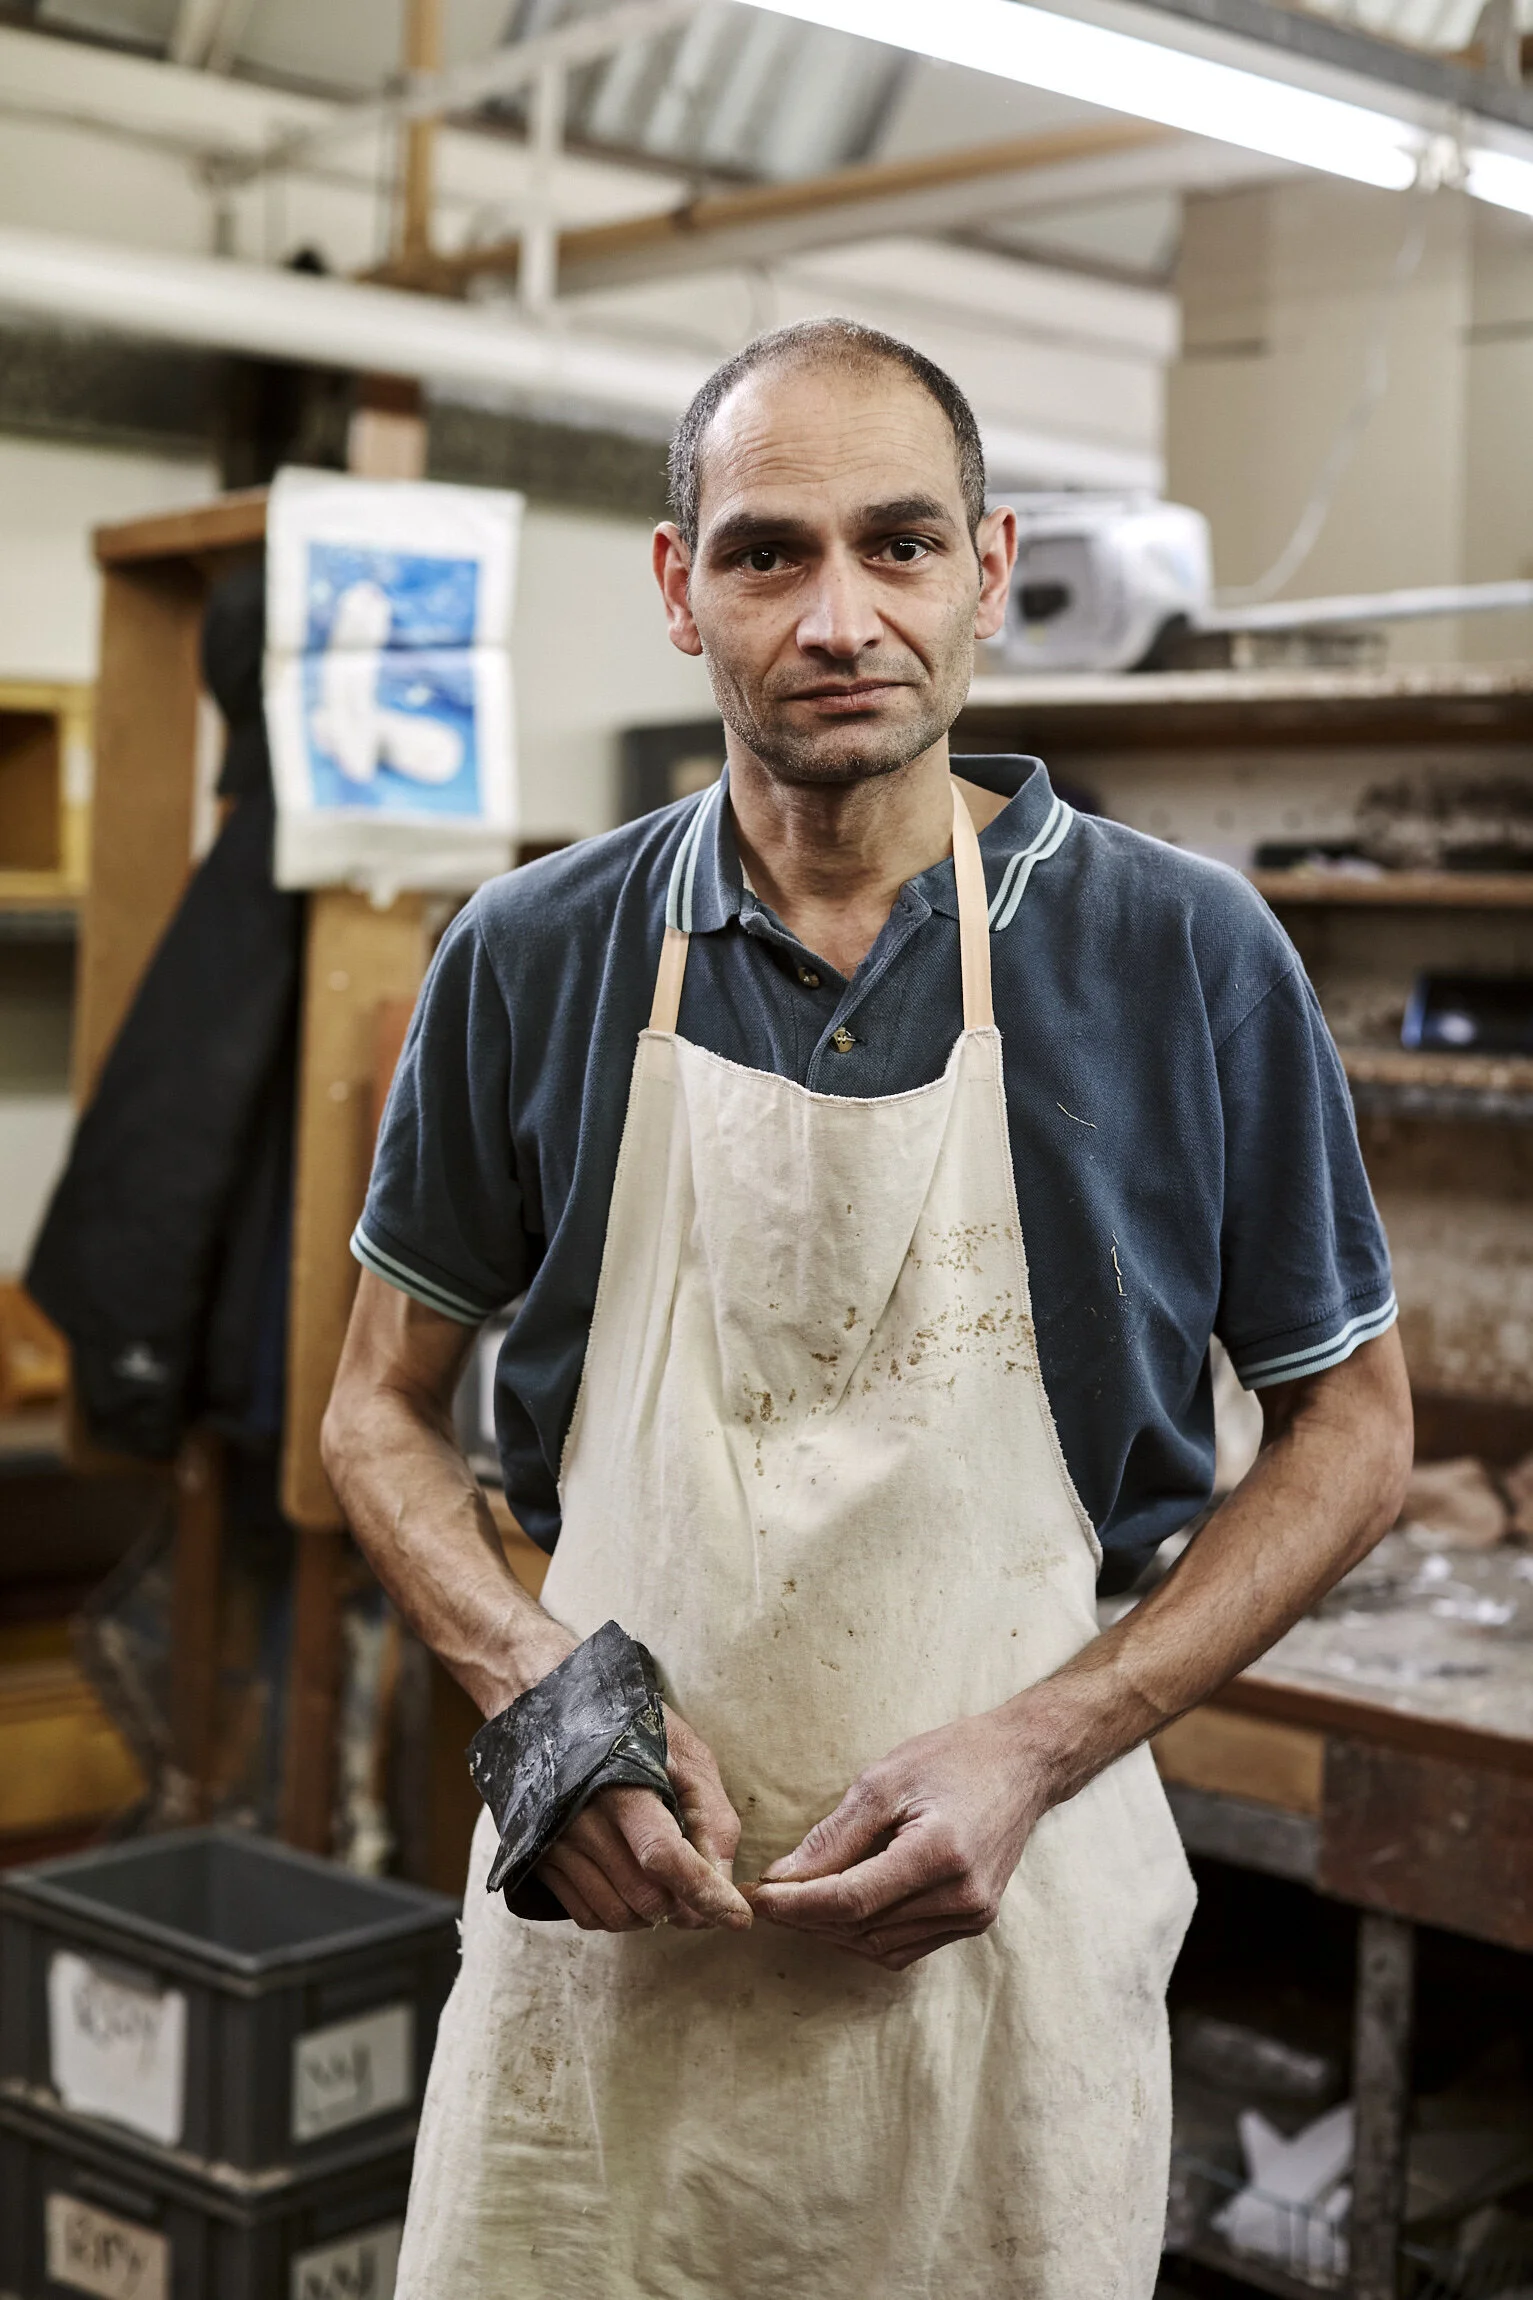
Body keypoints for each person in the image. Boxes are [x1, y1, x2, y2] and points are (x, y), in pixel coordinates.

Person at [322, 317, 1412, 2299]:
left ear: (989, 571)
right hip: (613, 1958)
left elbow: (1355, 1428)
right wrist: (532, 1693)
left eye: (898, 545)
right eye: (766, 552)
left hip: (1002, 1957)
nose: (838, 616)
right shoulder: (534, 953)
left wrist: (1043, 1740)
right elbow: (370, 1412)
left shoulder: (1188, 958)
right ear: (680, 589)